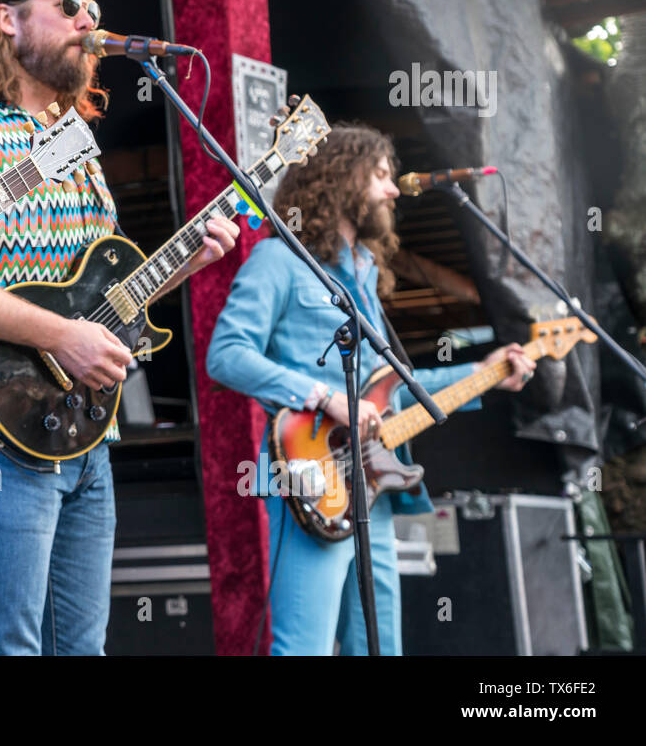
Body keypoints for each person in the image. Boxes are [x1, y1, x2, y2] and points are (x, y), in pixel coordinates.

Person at [0, 0, 240, 654]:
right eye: (69, 5)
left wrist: (188, 260)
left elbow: (108, 296)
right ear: (7, 20)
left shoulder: (75, 146)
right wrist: (59, 337)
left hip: (84, 437)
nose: (89, 21)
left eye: (95, 10)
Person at [205, 123, 534, 655]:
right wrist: (322, 395)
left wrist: (487, 372)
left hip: (372, 485)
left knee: (380, 648)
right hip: (310, 477)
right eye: (379, 175)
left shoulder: (364, 277)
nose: (391, 189)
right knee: (302, 648)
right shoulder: (278, 261)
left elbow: (396, 389)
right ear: (340, 178)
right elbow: (226, 356)